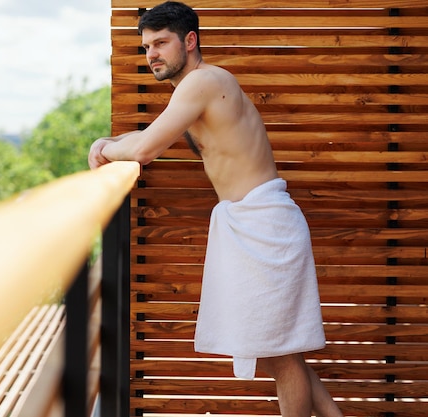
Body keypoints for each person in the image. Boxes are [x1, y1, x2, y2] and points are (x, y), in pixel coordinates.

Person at [88, 2, 344, 416]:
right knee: (282, 351)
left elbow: (147, 147)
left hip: (264, 224)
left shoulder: (204, 82)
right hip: (253, 223)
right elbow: (154, 135)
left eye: (160, 43)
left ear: (189, 41)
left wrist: (103, 149)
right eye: (146, 46)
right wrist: (116, 143)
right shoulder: (195, 91)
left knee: (281, 354)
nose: (151, 53)